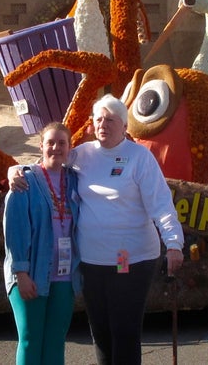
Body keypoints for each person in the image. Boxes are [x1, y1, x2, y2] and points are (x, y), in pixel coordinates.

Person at [62, 95, 184, 365]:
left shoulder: (139, 157)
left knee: (124, 329)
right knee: (101, 332)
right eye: (98, 119)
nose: (103, 124)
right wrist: (17, 171)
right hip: (92, 260)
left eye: (110, 120)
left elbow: (161, 204)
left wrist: (174, 243)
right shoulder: (81, 154)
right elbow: (48, 162)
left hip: (130, 258)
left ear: (125, 126)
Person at [3, 122, 80, 365]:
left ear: (69, 148)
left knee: (56, 341)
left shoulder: (75, 181)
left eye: (62, 143)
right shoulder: (24, 181)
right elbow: (14, 231)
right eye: (50, 142)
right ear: (41, 146)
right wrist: (21, 273)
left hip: (65, 276)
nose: (56, 148)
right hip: (31, 273)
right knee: (30, 340)